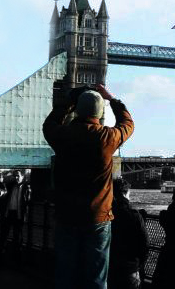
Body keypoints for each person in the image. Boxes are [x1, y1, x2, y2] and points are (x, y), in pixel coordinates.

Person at [43, 84, 134, 289]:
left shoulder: (62, 136)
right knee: (97, 277)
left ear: (76, 109)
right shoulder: (107, 138)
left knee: (65, 274)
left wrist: (68, 102)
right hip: (97, 217)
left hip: (66, 214)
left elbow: (49, 124)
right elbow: (128, 123)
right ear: (100, 112)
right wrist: (112, 99)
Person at [108, 178, 149, 289]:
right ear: (125, 193)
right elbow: (145, 244)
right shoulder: (135, 216)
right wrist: (138, 264)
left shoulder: (106, 214)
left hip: (109, 268)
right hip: (129, 268)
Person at [0, 170, 31, 265]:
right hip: (9, 213)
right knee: (3, 236)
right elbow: (3, 193)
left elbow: (28, 201)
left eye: (18, 176)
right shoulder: (10, 185)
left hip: (18, 215)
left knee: (17, 238)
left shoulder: (26, 187)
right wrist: (1, 182)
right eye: (15, 176)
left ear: (22, 176)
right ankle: (1, 259)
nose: (16, 178)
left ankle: (16, 260)